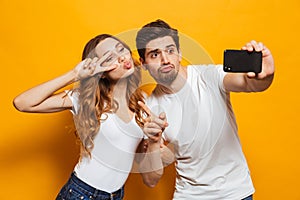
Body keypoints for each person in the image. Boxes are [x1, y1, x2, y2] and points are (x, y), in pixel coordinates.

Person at [13, 34, 166, 200]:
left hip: (116, 196)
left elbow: (151, 180)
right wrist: (74, 74)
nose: (122, 58)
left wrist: (155, 141)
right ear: (100, 72)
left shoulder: (143, 103)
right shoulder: (84, 100)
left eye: (121, 50)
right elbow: (22, 103)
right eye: (109, 58)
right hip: (81, 194)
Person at [135, 19, 275, 200]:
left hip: (235, 193)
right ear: (143, 63)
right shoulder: (150, 107)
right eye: (154, 54)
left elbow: (249, 83)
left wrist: (265, 75)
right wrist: (153, 141)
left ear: (179, 53)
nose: (165, 60)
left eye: (170, 50)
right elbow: (150, 179)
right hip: (190, 195)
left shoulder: (209, 76)